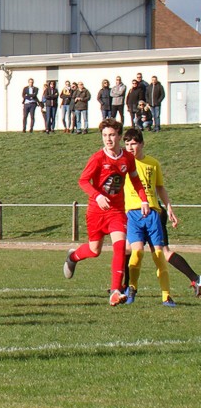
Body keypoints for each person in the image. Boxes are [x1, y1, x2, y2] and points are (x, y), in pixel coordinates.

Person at [63, 118, 149, 306]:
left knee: (120, 246)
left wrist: (144, 200)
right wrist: (98, 195)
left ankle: (115, 291)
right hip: (96, 211)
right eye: (104, 135)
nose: (108, 139)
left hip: (116, 211)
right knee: (94, 251)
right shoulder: (97, 158)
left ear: (119, 136)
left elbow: (135, 180)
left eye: (111, 135)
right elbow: (83, 181)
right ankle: (73, 257)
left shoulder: (127, 158)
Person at [121, 128, 174, 306]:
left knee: (159, 254)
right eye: (127, 144)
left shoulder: (153, 163)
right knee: (136, 253)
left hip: (152, 213)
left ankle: (166, 295)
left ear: (142, 144)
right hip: (133, 214)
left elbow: (160, 187)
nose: (130, 147)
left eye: (133, 143)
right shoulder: (124, 164)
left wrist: (169, 208)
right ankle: (132, 289)